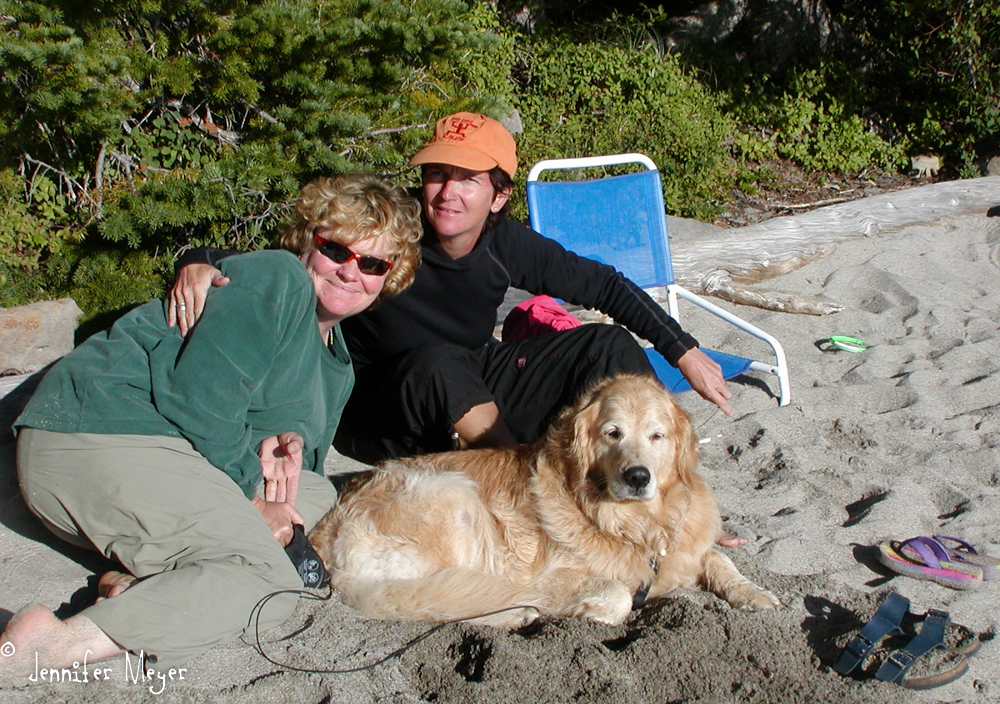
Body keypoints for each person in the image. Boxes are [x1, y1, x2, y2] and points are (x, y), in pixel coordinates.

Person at [0, 176, 422, 677]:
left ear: (389, 277)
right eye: (336, 249)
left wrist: (273, 469)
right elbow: (200, 400)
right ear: (307, 239)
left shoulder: (338, 366)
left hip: (160, 461)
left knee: (315, 494)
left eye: (373, 263)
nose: (351, 271)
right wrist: (251, 496)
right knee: (269, 584)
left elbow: (291, 475)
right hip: (104, 429)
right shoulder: (278, 278)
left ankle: (139, 587)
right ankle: (53, 645)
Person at [171, 112, 732, 465]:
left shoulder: (504, 243)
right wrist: (200, 260)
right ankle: (516, 479)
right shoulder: (394, 226)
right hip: (378, 409)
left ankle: (656, 487)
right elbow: (303, 253)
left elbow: (604, 284)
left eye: (468, 178)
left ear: (500, 195)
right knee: (439, 362)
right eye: (438, 173)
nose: (447, 192)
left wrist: (683, 351)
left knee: (603, 346)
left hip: (466, 388)